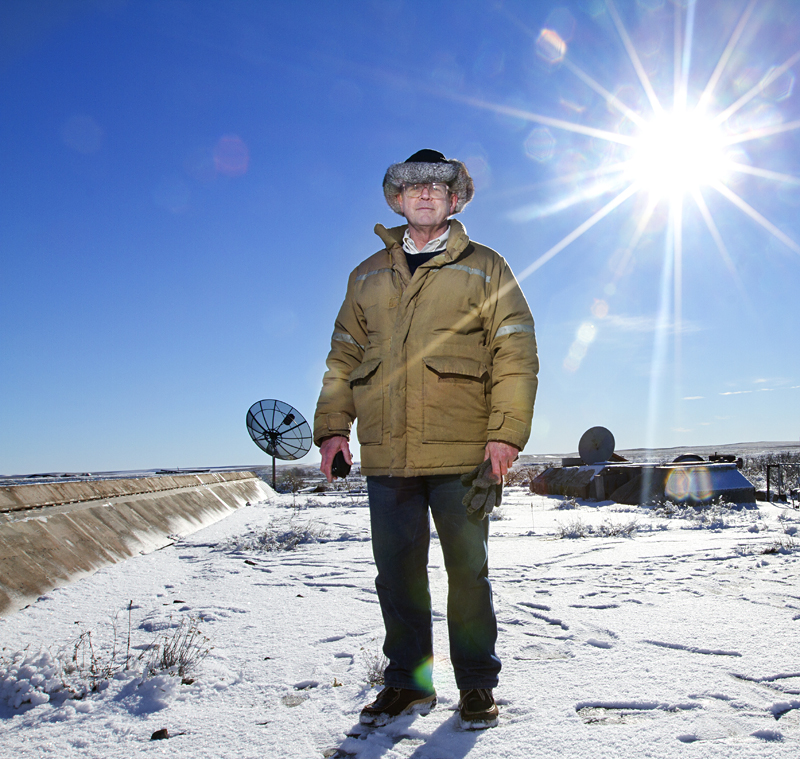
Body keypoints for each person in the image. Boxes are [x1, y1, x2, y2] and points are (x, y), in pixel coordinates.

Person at [314, 149, 538, 729]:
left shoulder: (485, 266)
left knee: (468, 572)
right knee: (396, 575)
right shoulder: (365, 274)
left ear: (455, 199)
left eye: (438, 188)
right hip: (387, 450)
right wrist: (334, 428)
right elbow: (342, 357)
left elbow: (514, 350)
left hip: (462, 449)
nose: (425, 196)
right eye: (413, 188)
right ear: (397, 200)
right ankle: (409, 685)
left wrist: (505, 434)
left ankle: (477, 685)